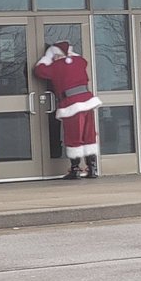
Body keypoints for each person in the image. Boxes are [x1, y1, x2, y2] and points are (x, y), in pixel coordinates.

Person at [33, 41, 101, 179]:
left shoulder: (56, 66)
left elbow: (39, 70)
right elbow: (84, 61)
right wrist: (69, 54)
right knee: (89, 135)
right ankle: (92, 168)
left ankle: (75, 169)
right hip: (87, 102)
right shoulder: (79, 62)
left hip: (71, 104)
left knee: (73, 136)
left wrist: (47, 58)